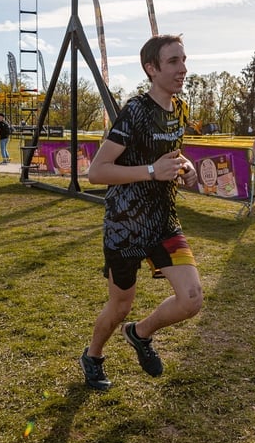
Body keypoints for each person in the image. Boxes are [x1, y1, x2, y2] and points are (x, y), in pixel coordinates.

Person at [80, 34, 202, 391]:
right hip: (126, 227)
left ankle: (140, 333)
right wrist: (151, 171)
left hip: (164, 222)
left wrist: (187, 167)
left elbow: (172, 155)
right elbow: (96, 172)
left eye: (184, 60)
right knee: (120, 305)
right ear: (151, 68)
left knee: (191, 299)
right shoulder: (134, 112)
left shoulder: (180, 109)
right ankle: (93, 356)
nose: (183, 68)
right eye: (173, 61)